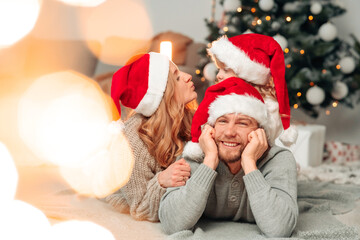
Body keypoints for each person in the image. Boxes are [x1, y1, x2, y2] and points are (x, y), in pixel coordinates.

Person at [159, 77, 298, 238]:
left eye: (243, 123)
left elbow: (280, 229)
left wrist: (249, 164)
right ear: (210, 128)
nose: (230, 132)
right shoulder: (195, 155)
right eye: (223, 121)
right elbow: (172, 223)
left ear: (260, 131)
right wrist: (209, 161)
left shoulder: (279, 159)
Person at [105, 52, 198, 222]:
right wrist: (161, 181)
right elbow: (140, 208)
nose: (188, 77)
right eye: (177, 78)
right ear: (162, 95)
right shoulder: (132, 144)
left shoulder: (188, 116)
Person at [207, 33, 297, 146]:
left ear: (246, 74)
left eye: (225, 70)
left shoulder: (268, 104)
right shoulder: (221, 95)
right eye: (219, 70)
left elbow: (265, 138)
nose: (219, 75)